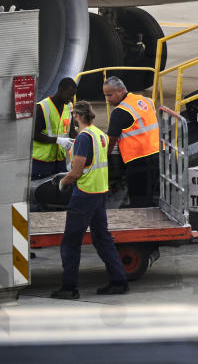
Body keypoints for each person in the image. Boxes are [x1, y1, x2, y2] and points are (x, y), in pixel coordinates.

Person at [50, 101, 128, 299]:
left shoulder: (83, 138)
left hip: (84, 194)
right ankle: (119, 282)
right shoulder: (99, 134)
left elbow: (76, 171)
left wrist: (62, 183)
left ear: (76, 115)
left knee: (70, 242)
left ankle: (69, 288)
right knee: (103, 239)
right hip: (100, 192)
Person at [102, 76, 160, 208]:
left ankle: (141, 226)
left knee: (139, 201)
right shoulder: (145, 100)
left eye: (110, 95)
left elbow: (111, 139)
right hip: (156, 155)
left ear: (121, 91)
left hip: (137, 161)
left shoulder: (119, 112)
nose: (108, 99)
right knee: (151, 198)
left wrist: (105, 156)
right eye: (106, 95)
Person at [31, 77, 77, 181]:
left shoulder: (68, 106)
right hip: (41, 162)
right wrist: (57, 140)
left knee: (59, 192)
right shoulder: (42, 107)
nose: (71, 98)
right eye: (69, 95)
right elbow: (34, 134)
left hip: (60, 161)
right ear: (61, 90)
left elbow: (72, 131)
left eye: (73, 96)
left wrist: (83, 139)